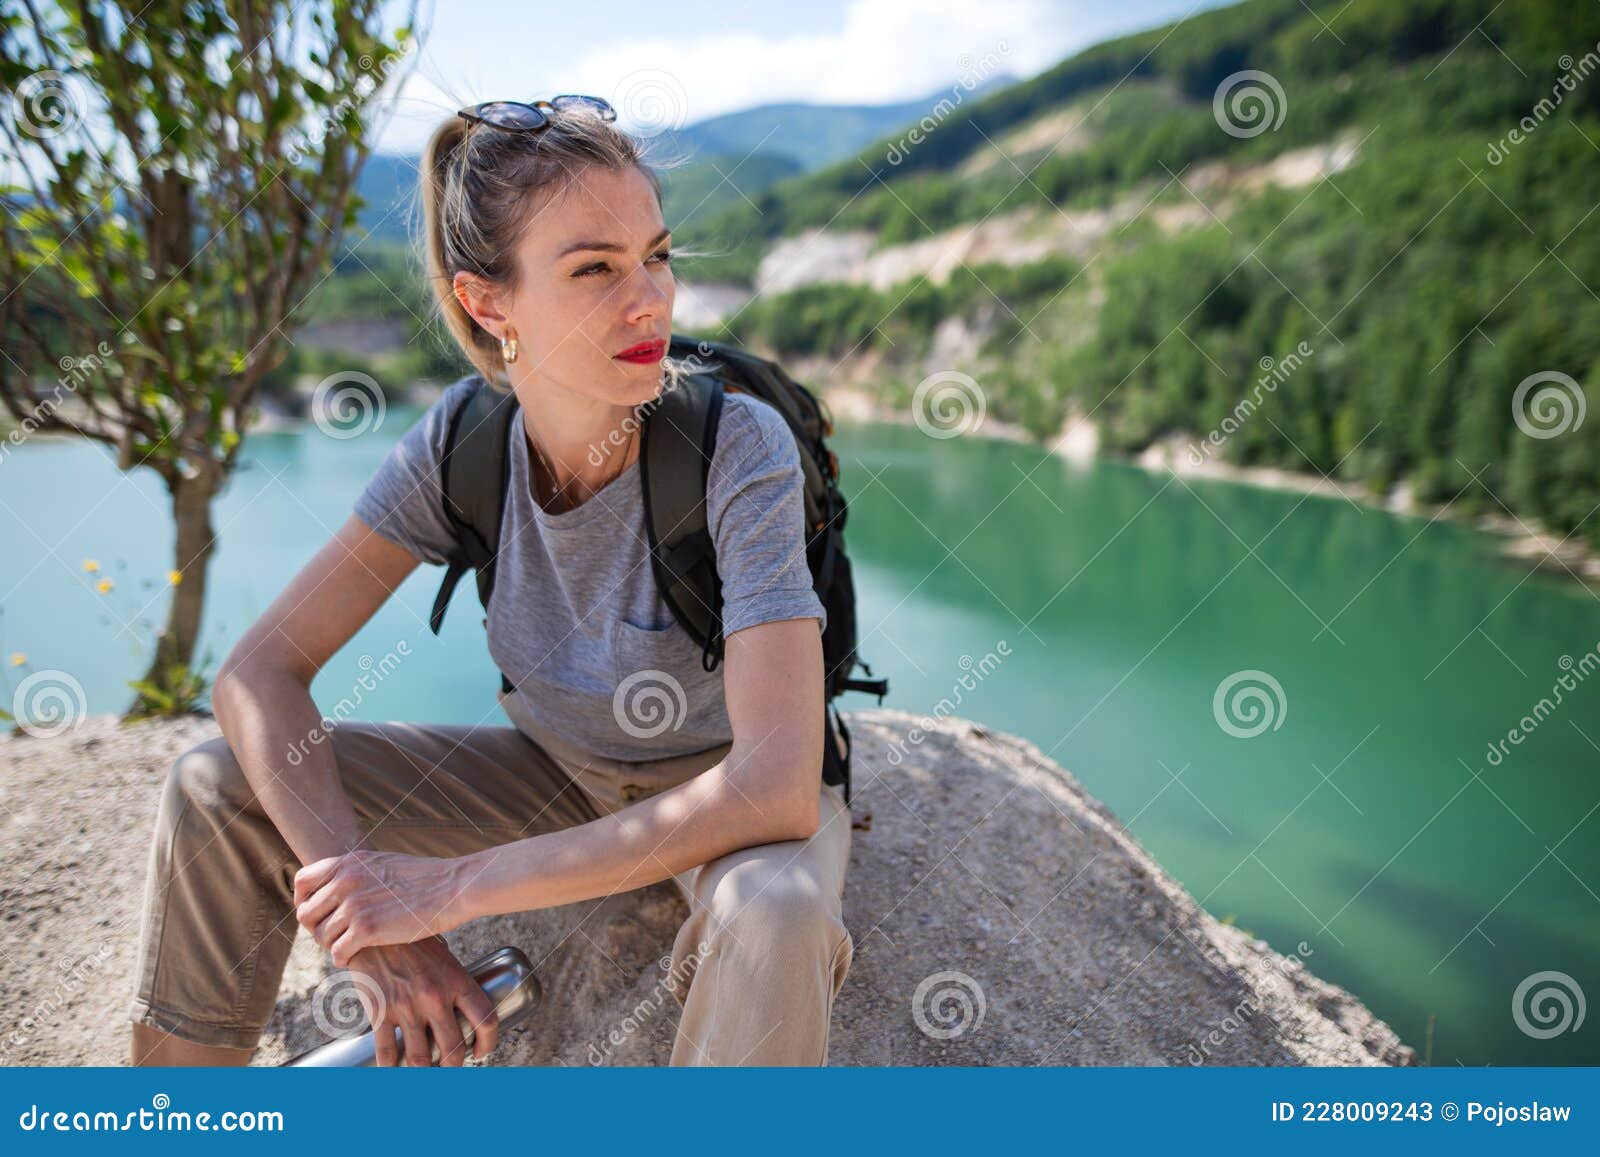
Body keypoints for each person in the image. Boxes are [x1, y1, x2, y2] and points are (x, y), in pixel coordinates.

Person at [127, 96, 854, 1068]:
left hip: (716, 795)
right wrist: (375, 919)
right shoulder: (462, 444)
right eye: (595, 267)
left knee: (774, 909)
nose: (651, 299)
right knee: (216, 784)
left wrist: (452, 887)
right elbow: (259, 672)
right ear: (488, 301)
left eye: (659, 254)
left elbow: (772, 789)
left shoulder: (734, 443)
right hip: (559, 774)